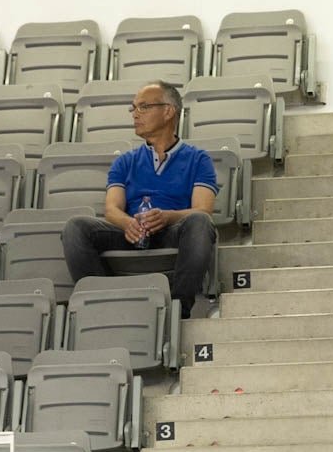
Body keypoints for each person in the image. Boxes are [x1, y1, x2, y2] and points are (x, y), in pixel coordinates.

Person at [60, 81, 218, 319]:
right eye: (133, 108)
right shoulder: (125, 161)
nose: (135, 114)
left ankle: (178, 310)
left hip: (172, 232)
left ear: (168, 111)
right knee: (76, 227)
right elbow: (112, 209)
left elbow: (203, 210)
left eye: (143, 107)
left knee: (200, 223)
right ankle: (101, 304)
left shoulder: (199, 159)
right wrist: (127, 224)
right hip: (131, 232)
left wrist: (167, 217)